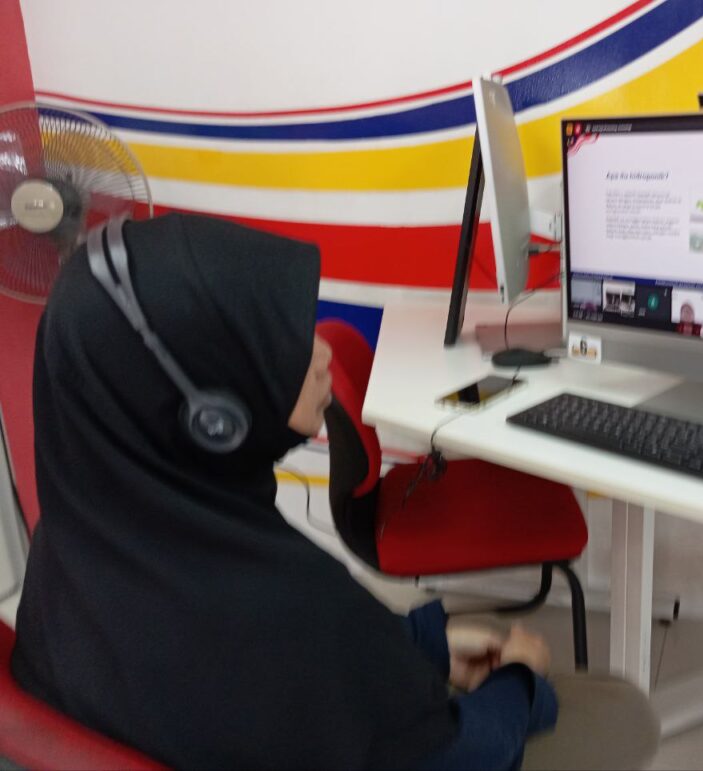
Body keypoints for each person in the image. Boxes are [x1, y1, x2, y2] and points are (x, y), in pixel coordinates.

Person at [12, 214, 657, 770]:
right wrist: (520, 678)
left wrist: (425, 644)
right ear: (210, 414)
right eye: (278, 343)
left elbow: (316, 668)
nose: (320, 354)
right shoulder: (277, 611)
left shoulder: (76, 556)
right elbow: (462, 755)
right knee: (627, 714)